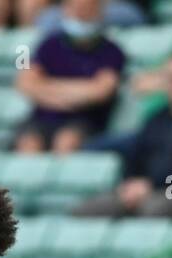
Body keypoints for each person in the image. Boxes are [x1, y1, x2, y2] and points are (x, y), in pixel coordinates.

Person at [76, 52, 172, 218]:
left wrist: (153, 185)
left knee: (155, 208)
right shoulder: (157, 119)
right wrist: (132, 184)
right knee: (91, 209)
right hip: (145, 188)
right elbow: (136, 156)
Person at [15, 0, 127, 154]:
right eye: (76, 9)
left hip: (85, 121)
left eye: (86, 9)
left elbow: (101, 91)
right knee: (28, 143)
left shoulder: (112, 51)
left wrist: (47, 88)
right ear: (65, 9)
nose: (80, 14)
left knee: (66, 141)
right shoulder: (47, 45)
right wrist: (77, 93)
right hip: (42, 119)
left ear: (99, 10)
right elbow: (25, 83)